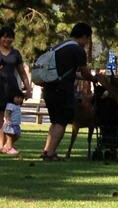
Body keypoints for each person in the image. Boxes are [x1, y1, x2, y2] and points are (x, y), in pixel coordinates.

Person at [39, 23, 92, 162]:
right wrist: (94, 78)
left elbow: (69, 72)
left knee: (55, 121)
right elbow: (85, 72)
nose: (87, 43)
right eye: (88, 39)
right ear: (85, 36)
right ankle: (50, 153)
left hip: (49, 88)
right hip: (62, 90)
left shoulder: (59, 47)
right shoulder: (77, 50)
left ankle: (46, 150)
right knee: (61, 122)